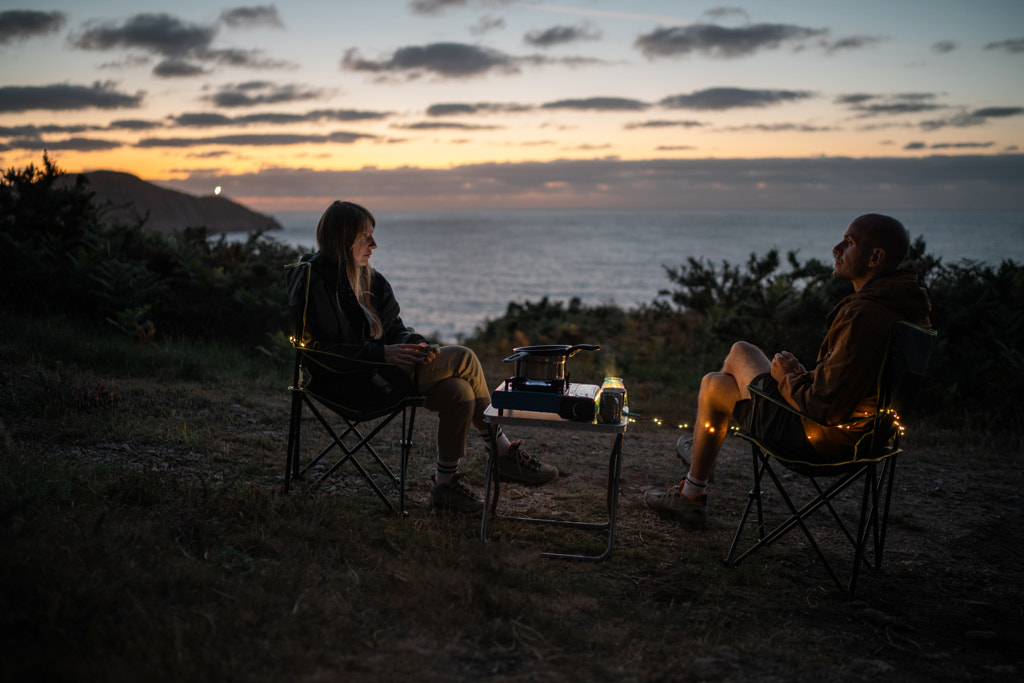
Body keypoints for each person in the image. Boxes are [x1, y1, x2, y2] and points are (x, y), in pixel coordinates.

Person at [644, 213, 932, 529]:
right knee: (715, 385)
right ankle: (692, 489)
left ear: (876, 257)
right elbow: (852, 385)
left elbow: (823, 405)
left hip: (815, 440)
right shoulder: (904, 310)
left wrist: (787, 378)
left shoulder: (865, 315)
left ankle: (698, 462)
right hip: (867, 440)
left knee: (741, 351)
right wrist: (805, 376)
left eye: (849, 243)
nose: (836, 249)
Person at [291, 200, 557, 513]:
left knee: (459, 393)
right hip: (350, 382)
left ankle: (444, 488)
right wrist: (382, 354)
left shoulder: (371, 281)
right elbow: (320, 352)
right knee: (464, 357)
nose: (374, 245)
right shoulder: (316, 283)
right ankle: (502, 452)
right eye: (366, 236)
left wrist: (416, 346)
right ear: (343, 238)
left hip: (386, 372)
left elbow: (396, 330)